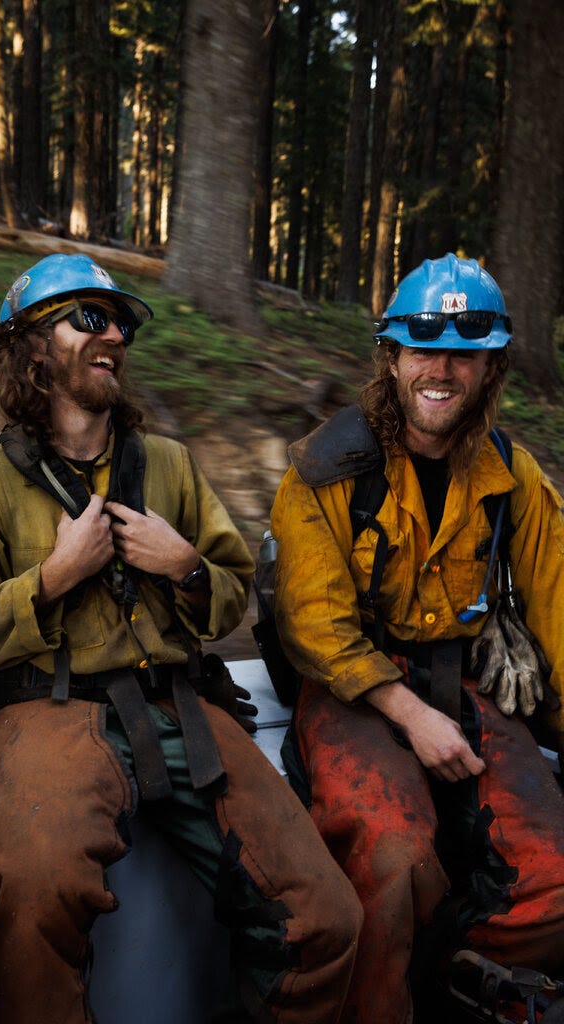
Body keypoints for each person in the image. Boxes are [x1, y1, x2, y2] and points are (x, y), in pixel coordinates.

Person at [0, 253, 362, 1024]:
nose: (114, 333)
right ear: (30, 346)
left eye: (121, 321)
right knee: (34, 907)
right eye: (88, 317)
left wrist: (185, 566)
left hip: (182, 709)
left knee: (324, 916)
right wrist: (52, 579)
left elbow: (226, 598)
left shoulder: (171, 467)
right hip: (45, 716)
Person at [271, 253, 564, 1023]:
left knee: (557, 878)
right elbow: (313, 624)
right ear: (393, 358)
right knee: (393, 856)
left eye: (464, 353)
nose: (442, 369)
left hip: (466, 684)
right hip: (355, 691)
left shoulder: (514, 477)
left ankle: (449, 977)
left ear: (489, 366)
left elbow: (561, 618)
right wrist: (411, 714)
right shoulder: (328, 469)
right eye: (423, 348)